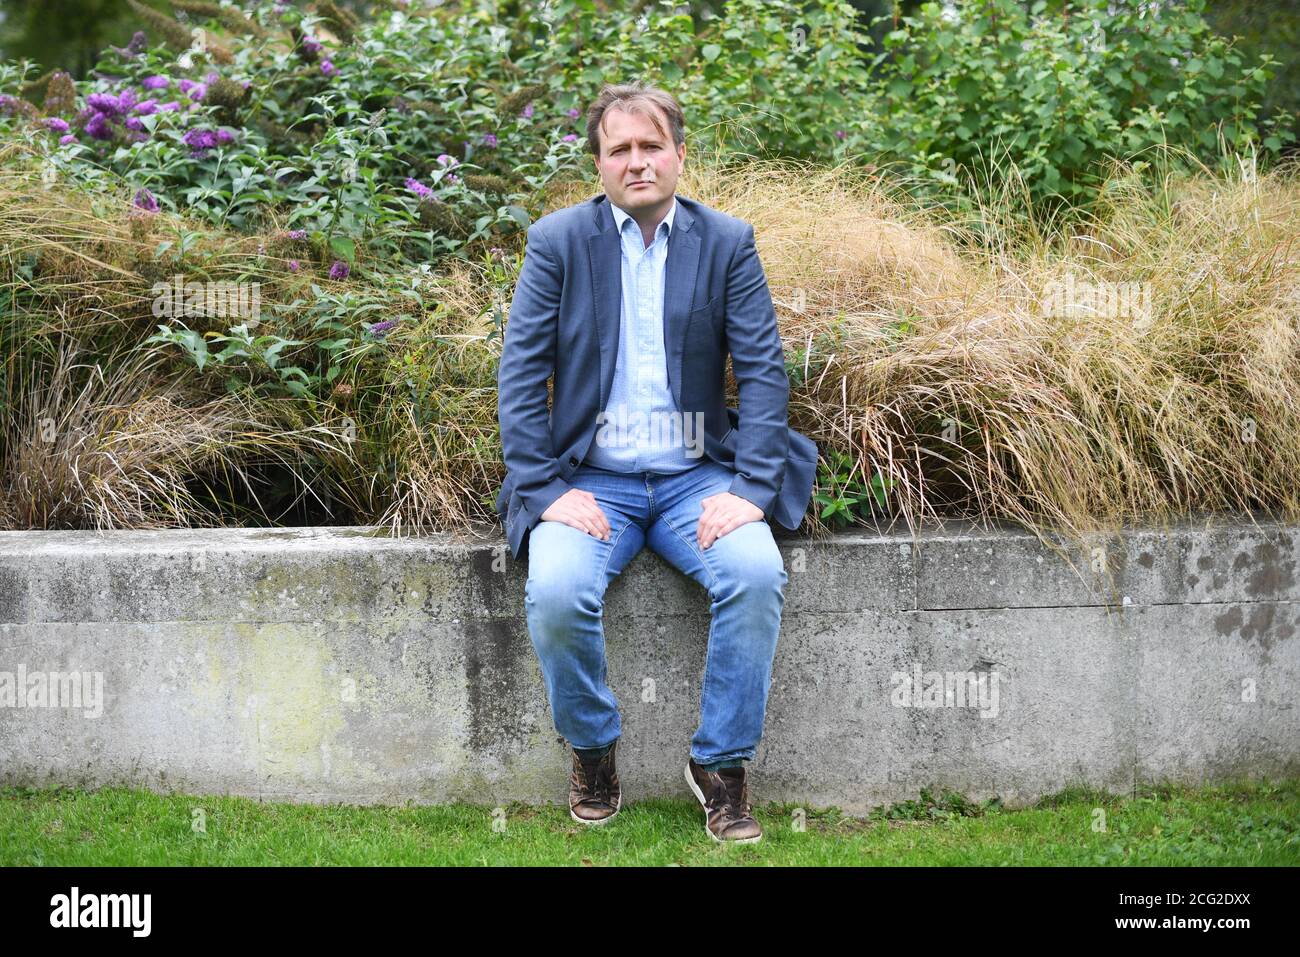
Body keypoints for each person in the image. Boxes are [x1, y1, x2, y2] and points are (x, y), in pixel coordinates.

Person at [494, 80, 818, 843]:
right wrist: (542, 488)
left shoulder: (727, 242)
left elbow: (765, 373)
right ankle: (594, 750)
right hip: (589, 480)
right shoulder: (558, 242)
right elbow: (520, 371)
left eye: (650, 146)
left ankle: (720, 765)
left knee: (755, 572)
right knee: (558, 587)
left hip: (696, 478)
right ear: (599, 164)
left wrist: (750, 489)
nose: (636, 162)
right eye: (619, 149)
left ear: (678, 154)